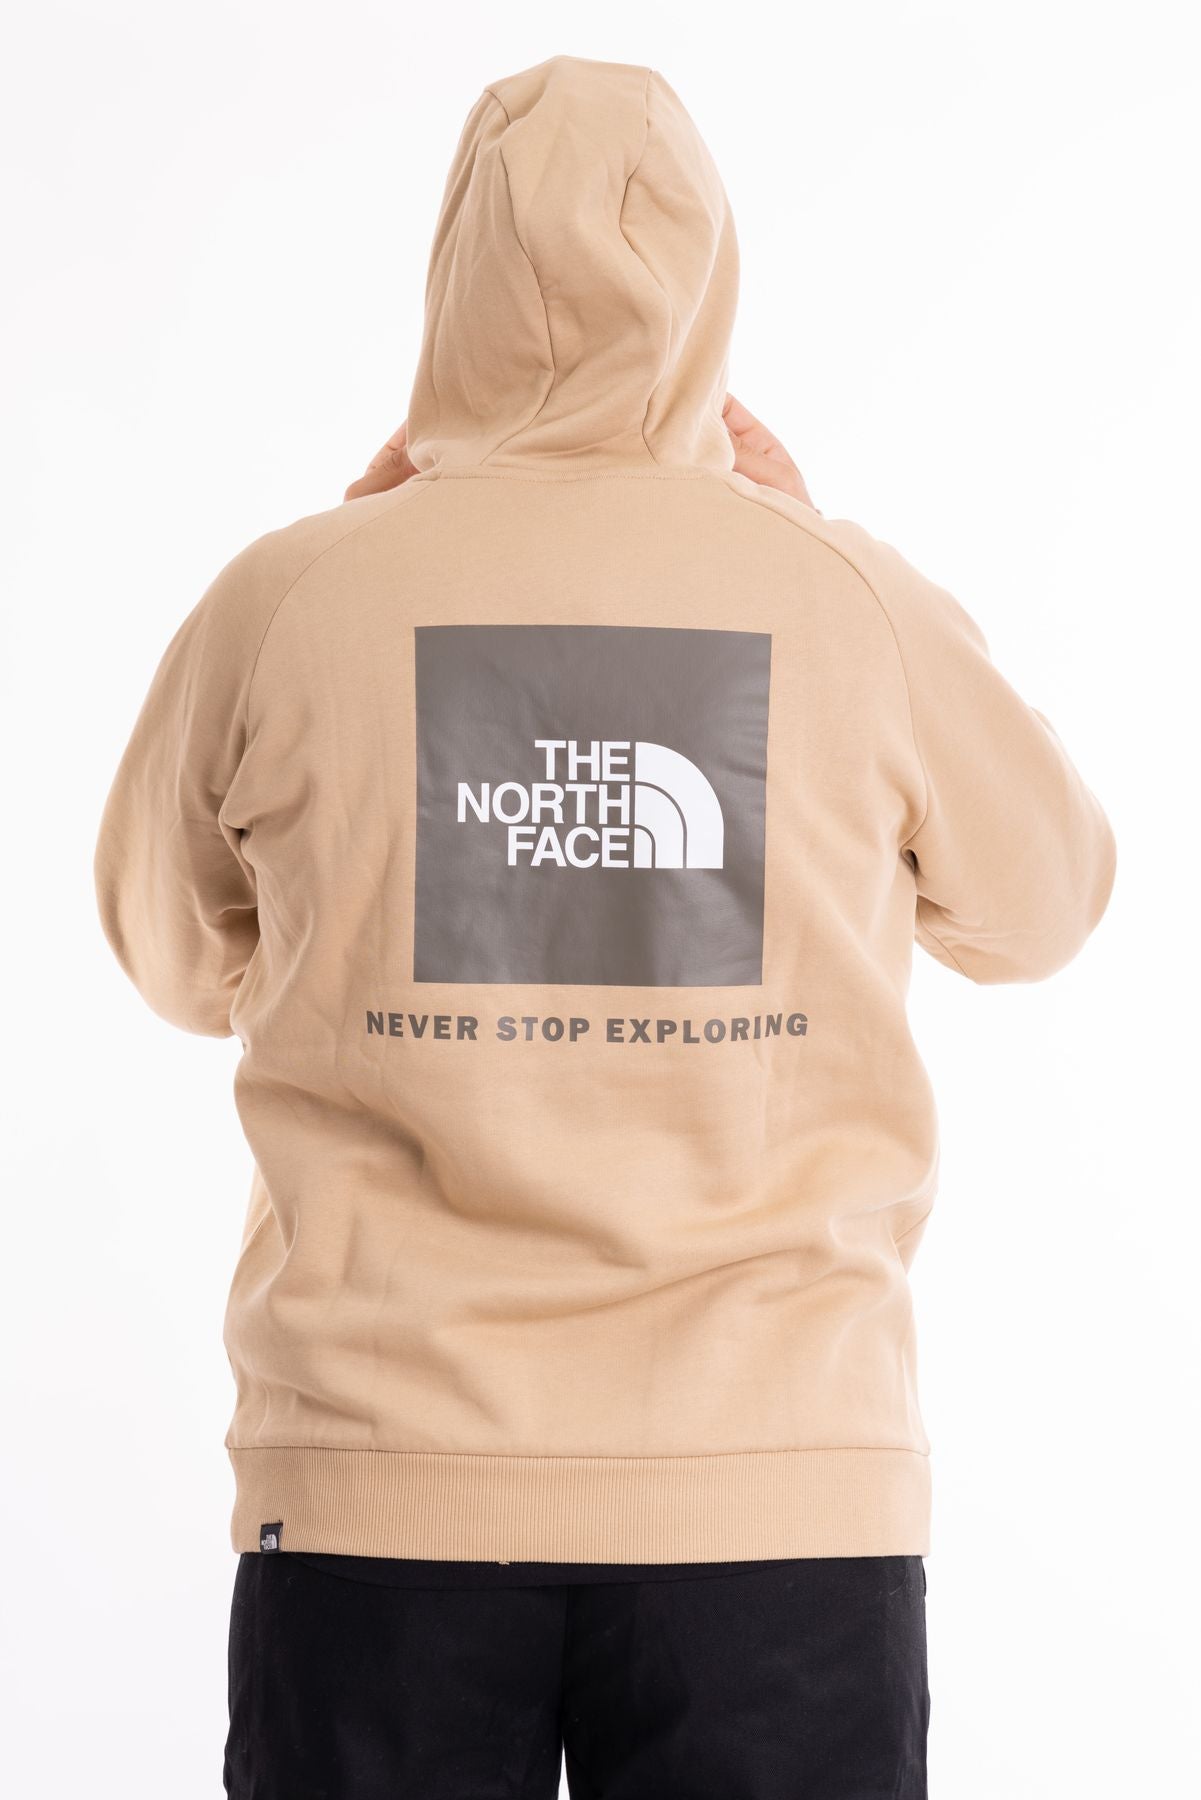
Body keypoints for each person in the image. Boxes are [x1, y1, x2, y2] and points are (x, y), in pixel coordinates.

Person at [94, 53, 1116, 1800]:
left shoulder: (285, 597)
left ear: (453, 277)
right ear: (712, 277)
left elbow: (171, 957)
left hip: (378, 1493)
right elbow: (1046, 907)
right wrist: (801, 547)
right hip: (779, 1498)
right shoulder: (846, 597)